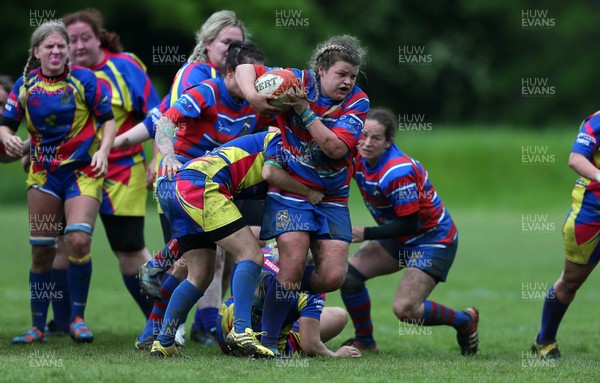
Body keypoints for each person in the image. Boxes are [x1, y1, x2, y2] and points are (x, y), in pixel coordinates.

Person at [117, 40, 270, 350]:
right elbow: (165, 122)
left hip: (211, 187)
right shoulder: (208, 91)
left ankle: (160, 336)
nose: (255, 84)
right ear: (231, 72)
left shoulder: (252, 106)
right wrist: (169, 155)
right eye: (249, 77)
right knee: (246, 252)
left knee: (196, 271)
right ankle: (240, 330)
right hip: (182, 182)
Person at [234, 34, 369, 353]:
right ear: (321, 69)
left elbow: (336, 149)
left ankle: (273, 284)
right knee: (293, 263)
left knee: (332, 277)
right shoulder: (293, 81)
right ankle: (267, 344)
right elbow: (244, 68)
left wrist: (304, 111)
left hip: (333, 196)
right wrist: (254, 97)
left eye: (353, 75)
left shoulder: (357, 102)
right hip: (290, 191)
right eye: (342, 74)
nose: (348, 81)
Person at [148, 130, 323, 358]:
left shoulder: (281, 145)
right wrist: (309, 192)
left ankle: (163, 341)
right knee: (251, 255)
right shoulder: (282, 139)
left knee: (199, 276)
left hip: (177, 186)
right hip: (200, 185)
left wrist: (161, 258)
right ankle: (242, 330)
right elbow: (270, 173)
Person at [40, 8, 161, 335]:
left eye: (85, 38)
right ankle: (63, 323)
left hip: (122, 171)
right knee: (67, 243)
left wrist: (158, 158)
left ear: (99, 38)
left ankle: (163, 321)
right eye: (71, 40)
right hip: (72, 173)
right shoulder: (56, 75)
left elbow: (158, 114)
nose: (78, 46)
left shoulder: (124, 66)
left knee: (130, 248)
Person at [0, 20, 115, 344]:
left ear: (67, 51)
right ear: (36, 52)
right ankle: (37, 326)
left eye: (61, 46)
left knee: (78, 241)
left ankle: (78, 318)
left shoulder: (85, 80)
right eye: (48, 46)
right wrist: (8, 138)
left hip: (82, 173)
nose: (56, 51)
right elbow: (6, 125)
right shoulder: (25, 86)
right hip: (43, 175)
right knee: (41, 253)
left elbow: (107, 121)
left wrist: (103, 152)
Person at [338, 108, 478, 355]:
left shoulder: (397, 171)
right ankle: (365, 340)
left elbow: (410, 223)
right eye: (364, 135)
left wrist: (365, 233)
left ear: (389, 141)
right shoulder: (356, 156)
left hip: (432, 239)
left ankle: (464, 321)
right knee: (348, 276)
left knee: (405, 309)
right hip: (398, 237)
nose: (367, 143)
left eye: (376, 138)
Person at [531, 111, 600, 359]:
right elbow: (576, 158)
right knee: (570, 282)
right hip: (592, 216)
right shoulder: (597, 121)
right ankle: (545, 340)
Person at [216, 246, 361, 358]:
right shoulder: (311, 289)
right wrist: (336, 355)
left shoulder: (261, 253)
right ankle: (273, 344)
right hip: (258, 344)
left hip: (226, 331)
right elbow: (310, 346)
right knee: (339, 316)